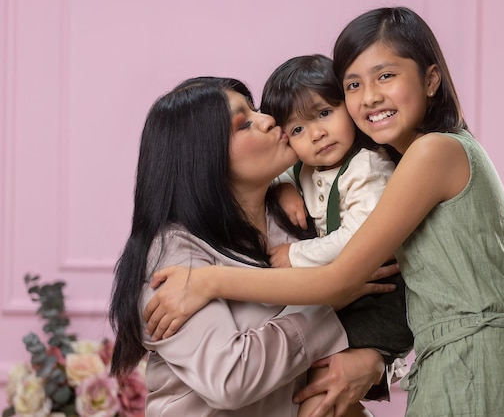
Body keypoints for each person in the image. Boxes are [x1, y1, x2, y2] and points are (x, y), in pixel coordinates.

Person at [143, 7, 504, 417]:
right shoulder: (297, 201)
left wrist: (210, 281)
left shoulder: (429, 154)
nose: (370, 96)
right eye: (354, 83)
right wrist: (283, 186)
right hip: (448, 362)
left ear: (430, 79)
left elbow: (340, 283)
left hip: (473, 366)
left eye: (386, 75)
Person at [107, 76, 395, 417]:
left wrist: (374, 360)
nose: (269, 119)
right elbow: (232, 378)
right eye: (244, 124)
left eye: (255, 110)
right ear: (204, 160)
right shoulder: (173, 256)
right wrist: (330, 297)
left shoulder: (299, 217)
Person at [260, 54, 413, 417]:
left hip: (381, 303)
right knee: (325, 404)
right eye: (297, 130)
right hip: (345, 300)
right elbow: (275, 174)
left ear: (347, 106)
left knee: (317, 402)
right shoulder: (305, 169)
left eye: (324, 113)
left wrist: (294, 256)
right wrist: (282, 188)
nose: (316, 134)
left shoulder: (368, 166)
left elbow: (360, 236)